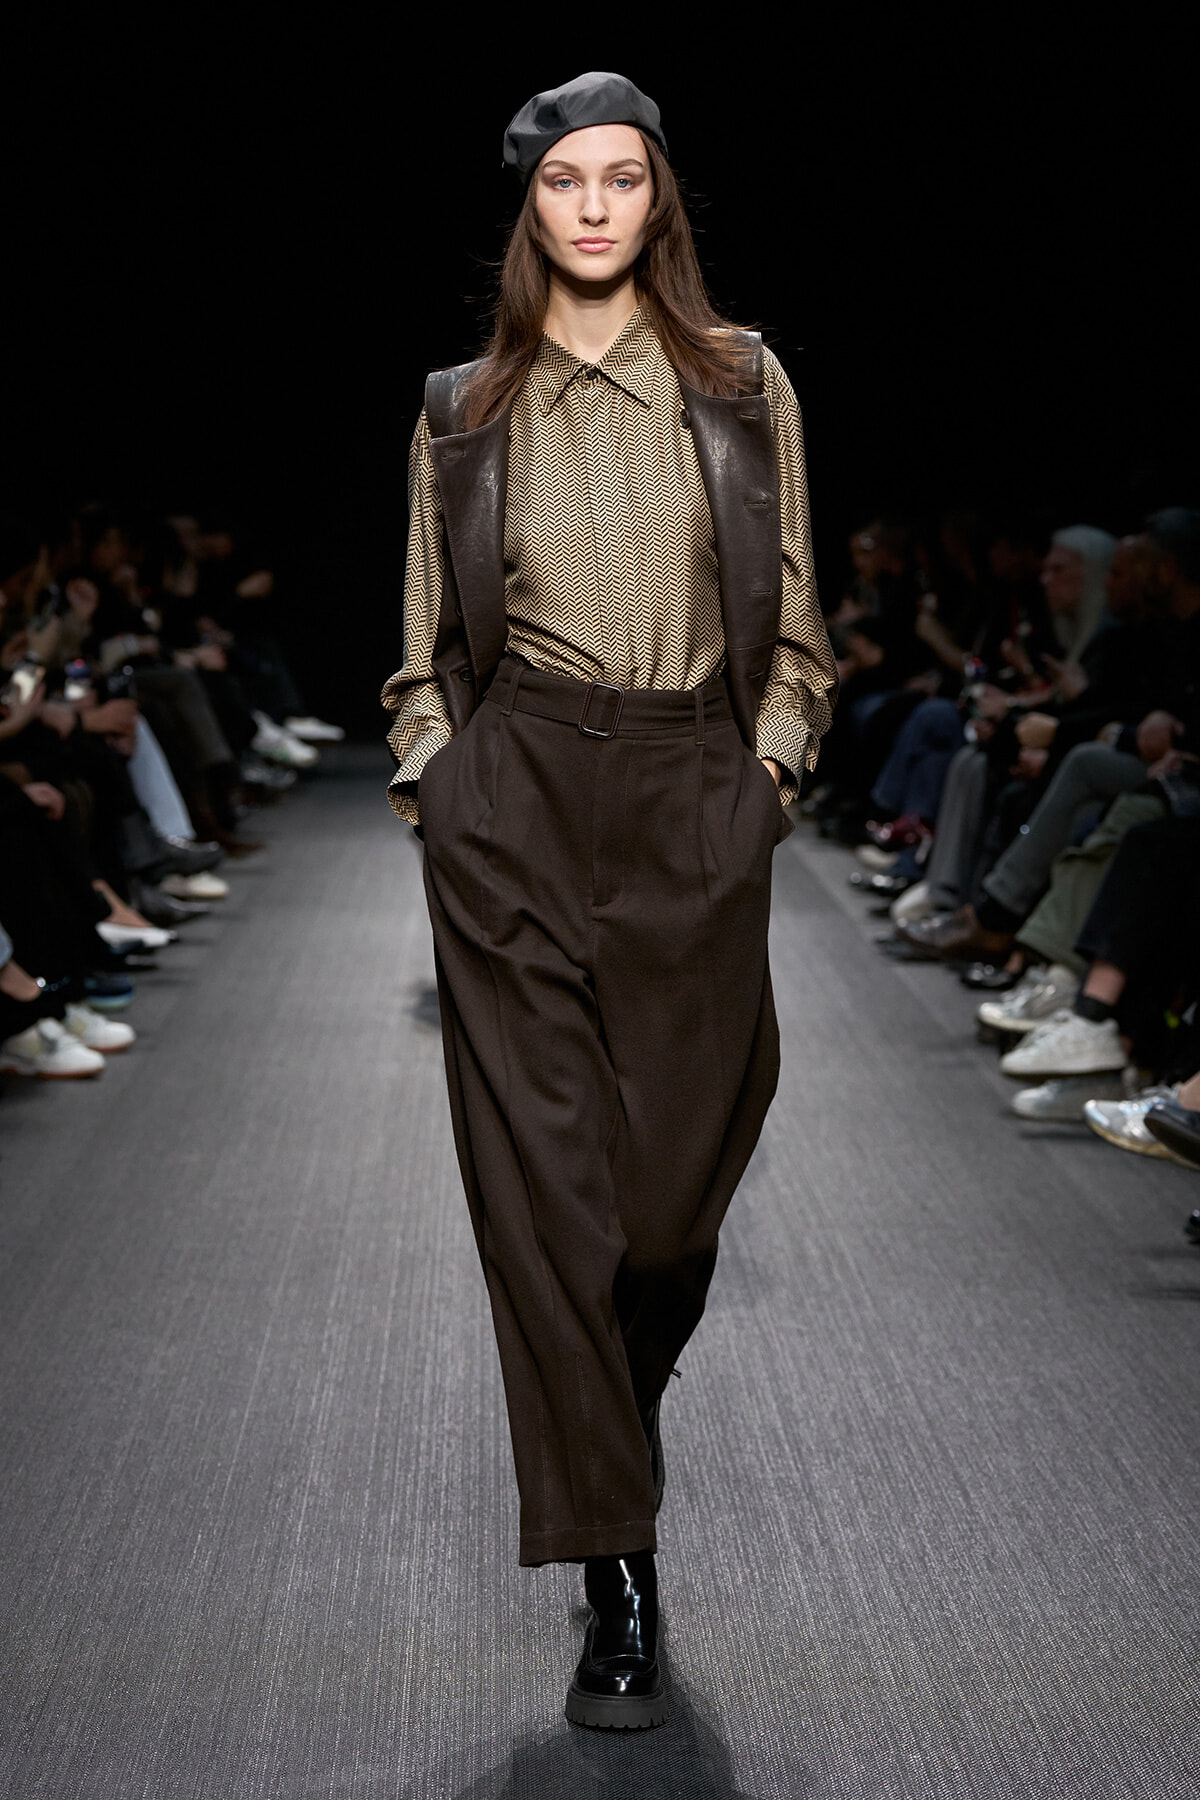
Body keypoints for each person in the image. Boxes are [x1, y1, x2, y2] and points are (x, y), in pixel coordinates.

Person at [381, 71, 837, 1730]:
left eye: (620, 178)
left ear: (661, 203)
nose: (591, 207)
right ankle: (616, 1572)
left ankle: (602, 1450)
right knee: (549, 1211)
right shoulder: (461, 405)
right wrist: (444, 782)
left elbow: (797, 616)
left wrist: (766, 779)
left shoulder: (742, 382)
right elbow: (421, 641)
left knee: (666, 1214)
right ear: (530, 209)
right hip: (516, 803)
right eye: (563, 181)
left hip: (692, 789)